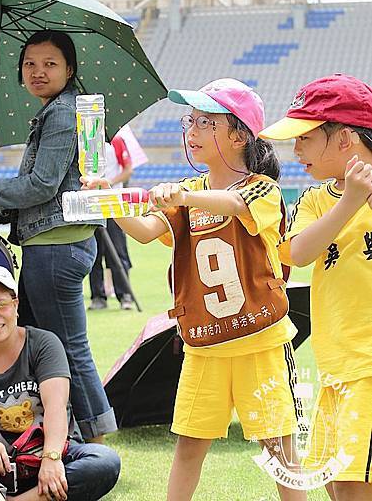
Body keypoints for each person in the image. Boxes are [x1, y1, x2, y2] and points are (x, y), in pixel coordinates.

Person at [82, 78, 306, 501]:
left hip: (259, 341)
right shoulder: (192, 191)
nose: (192, 131)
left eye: (206, 122)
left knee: (279, 448)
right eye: (191, 121)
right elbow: (147, 231)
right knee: (189, 446)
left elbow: (237, 206)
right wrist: (107, 196)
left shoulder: (262, 187)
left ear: (240, 134)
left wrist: (184, 198)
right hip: (203, 345)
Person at [0, 30, 117, 442]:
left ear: (69, 70)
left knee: (66, 348)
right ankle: (43, 429)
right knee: (32, 342)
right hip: (51, 244)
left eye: (50, 64)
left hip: (57, 247)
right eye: (30, 64)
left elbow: (42, 185)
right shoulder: (58, 110)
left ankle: (96, 440)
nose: (38, 72)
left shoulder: (60, 112)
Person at [260, 73, 372, 501]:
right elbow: (300, 252)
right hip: (334, 367)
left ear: (344, 138)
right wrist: (350, 200)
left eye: (305, 137)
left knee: (352, 484)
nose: (296, 149)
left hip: (367, 366)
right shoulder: (315, 198)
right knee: (335, 484)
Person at [0, 263, 120, 500]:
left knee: (104, 460)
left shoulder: (43, 344)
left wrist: (52, 457)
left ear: (15, 305)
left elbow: (56, 406)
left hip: (45, 454)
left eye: (0, 304)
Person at [88, 138, 134, 311]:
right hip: (93, 205)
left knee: (118, 251)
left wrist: (108, 184)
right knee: (94, 253)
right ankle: (98, 297)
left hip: (113, 204)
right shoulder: (88, 141)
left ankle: (125, 295)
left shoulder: (117, 141)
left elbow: (128, 170)